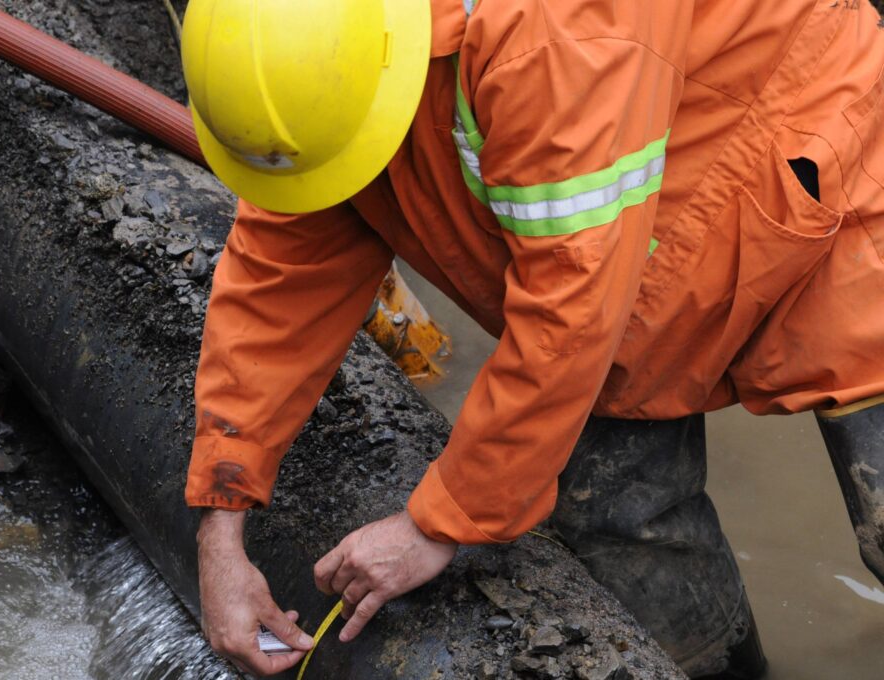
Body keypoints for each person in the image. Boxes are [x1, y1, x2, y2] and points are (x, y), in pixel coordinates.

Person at [179, 0, 884, 677]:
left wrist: (435, 526)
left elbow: (570, 309)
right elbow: (280, 276)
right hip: (630, 244)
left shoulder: (552, 42)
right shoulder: (316, 57)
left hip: (812, 164)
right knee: (616, 526)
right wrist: (220, 527)